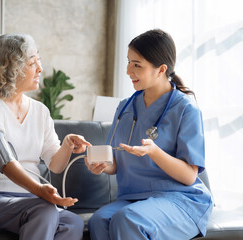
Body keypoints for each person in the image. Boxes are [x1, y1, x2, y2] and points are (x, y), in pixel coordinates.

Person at [85, 29, 213, 239]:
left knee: (128, 219)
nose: (128, 71)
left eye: (137, 65)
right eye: (128, 62)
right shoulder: (124, 108)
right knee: (99, 221)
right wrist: (100, 164)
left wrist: (154, 152)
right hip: (133, 198)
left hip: (179, 198)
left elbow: (190, 176)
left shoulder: (186, 109)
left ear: (161, 69)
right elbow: (114, 163)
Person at [0, 34, 91, 240]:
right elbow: (3, 159)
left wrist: (66, 145)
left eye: (38, 60)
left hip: (29, 201)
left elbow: (55, 165)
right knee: (44, 211)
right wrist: (39, 190)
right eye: (32, 63)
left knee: (72, 222)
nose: (40, 68)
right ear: (9, 68)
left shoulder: (40, 111)